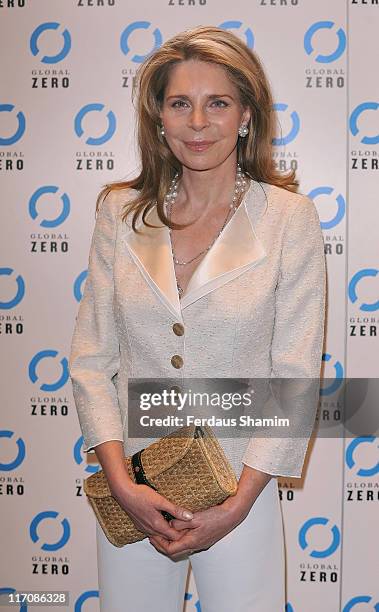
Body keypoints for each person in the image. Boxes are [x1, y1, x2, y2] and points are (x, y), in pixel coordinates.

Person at [68, 25, 326, 612]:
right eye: (180, 103)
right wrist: (121, 485)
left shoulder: (289, 219)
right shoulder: (119, 214)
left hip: (241, 488)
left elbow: (293, 374)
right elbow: (91, 359)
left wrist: (237, 504)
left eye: (218, 103)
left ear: (246, 116)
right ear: (159, 117)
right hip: (137, 485)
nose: (198, 122)